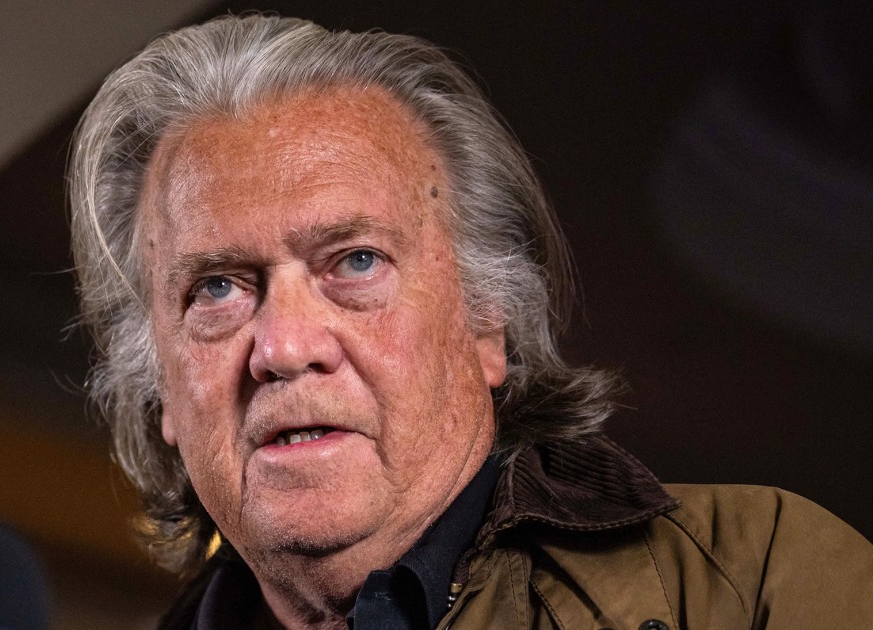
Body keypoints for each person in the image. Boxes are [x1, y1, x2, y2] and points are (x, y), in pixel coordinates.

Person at [67, 14, 873, 630]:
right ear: (159, 385)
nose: (284, 346)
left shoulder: (754, 578)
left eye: (356, 261)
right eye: (215, 289)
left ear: (488, 320)